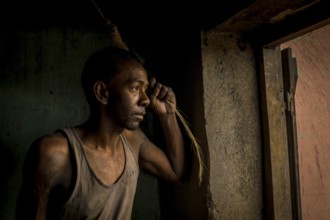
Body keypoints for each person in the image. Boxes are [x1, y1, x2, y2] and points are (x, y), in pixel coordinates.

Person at [16, 46, 185, 220]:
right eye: (135, 88)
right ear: (102, 92)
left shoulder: (133, 140)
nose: (146, 100)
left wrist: (168, 115)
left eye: (145, 89)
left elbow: (175, 172)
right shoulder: (54, 154)